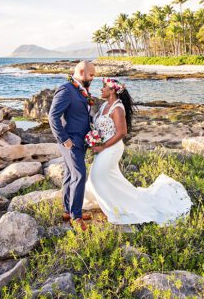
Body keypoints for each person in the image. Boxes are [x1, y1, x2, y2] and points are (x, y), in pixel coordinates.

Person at [85, 77, 192, 225]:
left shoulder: (117, 108)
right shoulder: (104, 105)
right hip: (103, 146)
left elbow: (122, 132)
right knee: (106, 177)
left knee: (98, 176)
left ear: (112, 90)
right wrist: (94, 139)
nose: (101, 89)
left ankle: (116, 209)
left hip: (111, 148)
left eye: (104, 87)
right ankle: (117, 201)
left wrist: (103, 146)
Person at [48, 60, 96, 231]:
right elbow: (53, 117)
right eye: (91, 75)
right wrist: (64, 139)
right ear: (82, 73)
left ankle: (68, 210)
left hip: (80, 140)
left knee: (70, 175)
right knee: (80, 175)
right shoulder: (66, 90)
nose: (93, 78)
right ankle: (76, 216)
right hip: (71, 141)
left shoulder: (81, 90)